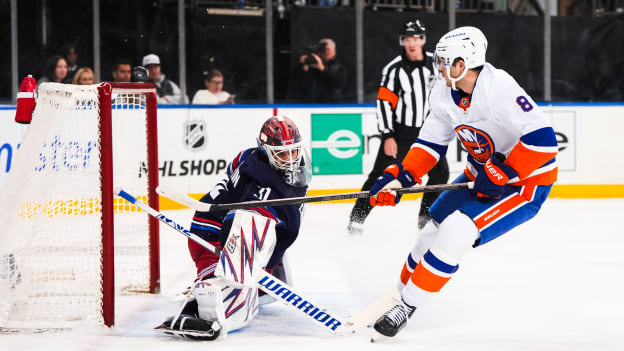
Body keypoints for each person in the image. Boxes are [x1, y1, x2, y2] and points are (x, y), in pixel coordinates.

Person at [368, 26, 558, 339]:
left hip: (524, 184)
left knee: (457, 230)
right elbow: (429, 145)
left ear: (461, 64)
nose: (438, 66)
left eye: (444, 61)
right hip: (478, 175)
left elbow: (543, 142)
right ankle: (398, 296)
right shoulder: (443, 93)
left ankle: (408, 306)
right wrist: (400, 177)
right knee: (430, 232)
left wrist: (503, 171)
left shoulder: (498, 87)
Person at [156, 116, 311, 340]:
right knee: (220, 275)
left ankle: (259, 283)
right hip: (210, 233)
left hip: (236, 221)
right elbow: (236, 222)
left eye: (293, 152)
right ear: (265, 151)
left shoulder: (257, 159)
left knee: (271, 238)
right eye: (281, 153)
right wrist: (237, 263)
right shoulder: (259, 185)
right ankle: (203, 303)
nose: (289, 159)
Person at [347, 20, 449, 235]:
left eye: (416, 39)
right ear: (402, 42)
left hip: (429, 132)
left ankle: (426, 218)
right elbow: (384, 104)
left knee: (440, 173)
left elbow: (445, 92)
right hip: (401, 133)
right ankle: (357, 218)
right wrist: (388, 135)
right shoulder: (394, 69)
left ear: (423, 40)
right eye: (407, 40)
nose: (412, 44)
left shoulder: (435, 63)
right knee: (379, 176)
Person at [296, 38, 346, 102]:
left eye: (328, 49)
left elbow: (338, 84)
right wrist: (304, 69)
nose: (326, 52)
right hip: (311, 104)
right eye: (323, 50)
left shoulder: (338, 67)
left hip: (332, 105)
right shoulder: (311, 65)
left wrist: (322, 68)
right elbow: (300, 86)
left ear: (334, 51)